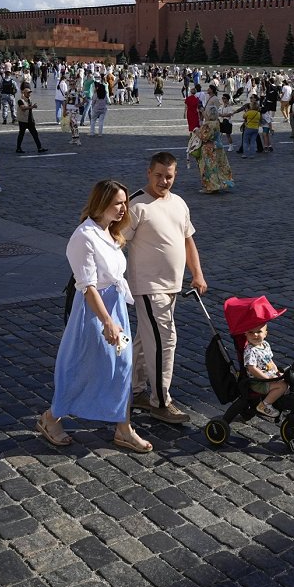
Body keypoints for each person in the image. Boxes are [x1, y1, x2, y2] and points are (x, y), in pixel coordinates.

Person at [37, 180, 152, 453]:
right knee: (83, 368)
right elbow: (87, 286)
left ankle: (124, 428)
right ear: (101, 204)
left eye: (125, 202)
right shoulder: (84, 236)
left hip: (115, 309)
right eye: (117, 203)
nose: (124, 208)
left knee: (122, 368)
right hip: (94, 313)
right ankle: (51, 418)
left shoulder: (110, 233)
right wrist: (107, 322)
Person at [127, 153, 207, 424]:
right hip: (149, 286)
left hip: (171, 285)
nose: (164, 181)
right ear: (149, 172)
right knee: (164, 341)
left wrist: (197, 273)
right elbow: (117, 241)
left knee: (144, 341)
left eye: (169, 176)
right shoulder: (137, 205)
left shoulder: (179, 203)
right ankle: (161, 401)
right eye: (159, 175)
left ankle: (135, 390)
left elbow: (188, 241)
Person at [227, 296, 290, 419]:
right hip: (257, 382)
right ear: (245, 334)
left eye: (259, 332)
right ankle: (264, 405)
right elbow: (251, 368)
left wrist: (276, 372)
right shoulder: (251, 351)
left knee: (286, 381)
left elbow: (269, 360)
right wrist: (267, 378)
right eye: (251, 332)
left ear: (266, 333)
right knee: (282, 386)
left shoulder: (265, 345)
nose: (255, 335)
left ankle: (274, 402)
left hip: (267, 377)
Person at [196, 107, 234, 194]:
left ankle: (210, 187)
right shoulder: (217, 122)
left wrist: (196, 131)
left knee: (209, 168)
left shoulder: (208, 124)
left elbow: (204, 137)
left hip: (209, 148)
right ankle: (220, 184)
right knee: (220, 167)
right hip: (218, 146)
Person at [15, 86, 48, 154]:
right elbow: (23, 108)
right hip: (23, 120)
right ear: (24, 93)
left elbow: (29, 110)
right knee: (21, 134)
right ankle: (18, 148)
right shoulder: (20, 100)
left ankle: (39, 147)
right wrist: (32, 107)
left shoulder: (29, 99)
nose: (29, 94)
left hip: (30, 120)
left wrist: (32, 119)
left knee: (35, 134)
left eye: (30, 92)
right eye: (28, 93)